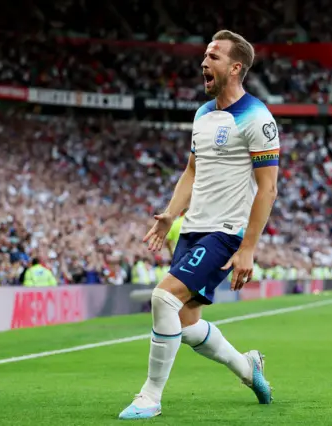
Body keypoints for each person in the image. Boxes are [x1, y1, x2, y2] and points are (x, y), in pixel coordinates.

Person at [119, 30, 280, 420]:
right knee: (186, 324)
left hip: (225, 232)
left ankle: (149, 397)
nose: (204, 63)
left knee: (163, 299)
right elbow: (192, 171)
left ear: (235, 67)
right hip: (192, 229)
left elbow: (268, 188)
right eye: (205, 55)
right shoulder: (203, 114)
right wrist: (171, 215)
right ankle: (247, 367)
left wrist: (248, 248)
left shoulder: (258, 118)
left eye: (214, 57)